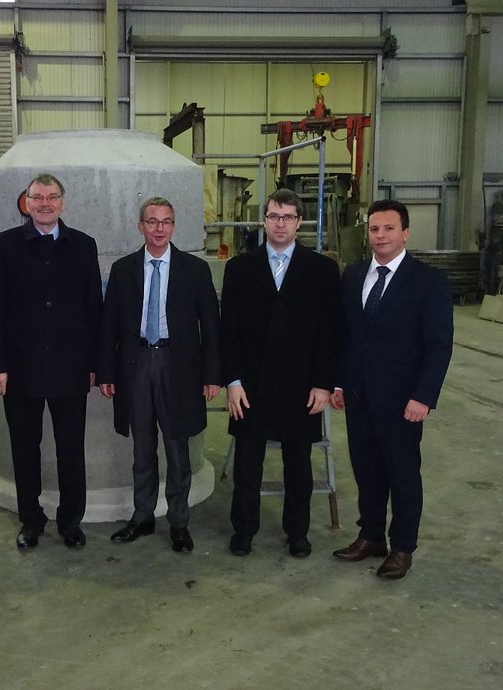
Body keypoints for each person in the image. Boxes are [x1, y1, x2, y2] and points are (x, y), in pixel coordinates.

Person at [330, 199, 453, 580]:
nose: (380, 236)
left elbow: (438, 343)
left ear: (405, 233)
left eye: (388, 229)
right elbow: (344, 336)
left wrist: (424, 396)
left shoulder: (427, 281)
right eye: (374, 229)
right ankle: (370, 536)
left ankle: (402, 546)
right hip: (358, 395)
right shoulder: (352, 275)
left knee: (402, 473)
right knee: (366, 471)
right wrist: (338, 382)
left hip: (403, 400)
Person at [0, 173, 102, 550]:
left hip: (70, 368)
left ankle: (70, 521)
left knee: (71, 449)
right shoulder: (5, 246)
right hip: (20, 369)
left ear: (63, 203)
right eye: (38, 197)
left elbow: (93, 310)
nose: (45, 203)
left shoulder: (83, 245)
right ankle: (30, 520)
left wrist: (95, 363)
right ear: (27, 203)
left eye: (52, 197)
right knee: (24, 448)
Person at [220, 189, 342, 558]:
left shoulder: (321, 270)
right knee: (247, 465)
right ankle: (244, 530)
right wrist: (233, 381)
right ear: (264, 221)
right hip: (251, 385)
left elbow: (329, 332)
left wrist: (323, 383)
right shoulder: (240, 268)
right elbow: (230, 331)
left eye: (288, 217)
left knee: (298, 467)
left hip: (300, 385)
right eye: (274, 216)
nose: (280, 223)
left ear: (299, 222)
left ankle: (298, 532)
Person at [98, 197, 220, 553]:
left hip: (178, 367)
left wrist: (212, 375)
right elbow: (109, 326)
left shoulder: (194, 270)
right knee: (142, 449)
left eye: (166, 222)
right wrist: (107, 370)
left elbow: (211, 327)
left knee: (177, 448)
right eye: (152, 222)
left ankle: (179, 522)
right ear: (141, 227)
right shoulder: (123, 270)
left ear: (173, 226)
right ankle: (143, 516)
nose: (159, 228)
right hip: (136, 364)